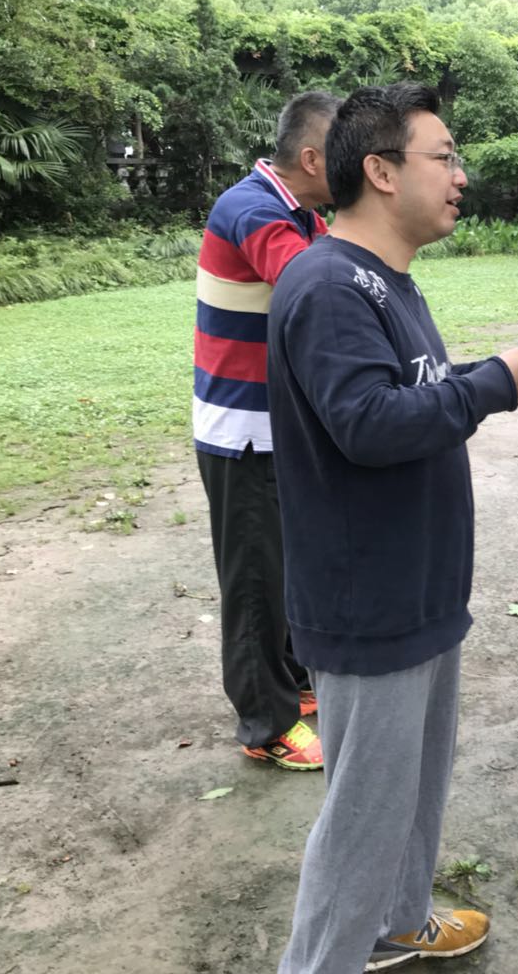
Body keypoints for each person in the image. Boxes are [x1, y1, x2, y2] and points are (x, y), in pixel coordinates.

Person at [269, 83, 518, 972]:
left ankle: (397, 921)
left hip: (418, 588)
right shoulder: (328, 283)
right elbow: (368, 422)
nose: (460, 175)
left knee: (412, 789)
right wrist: (494, 384)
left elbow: (413, 392)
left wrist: (499, 373)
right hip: (368, 603)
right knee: (362, 815)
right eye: (446, 157)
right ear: (382, 171)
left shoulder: (386, 281)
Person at [193, 90, 341, 772]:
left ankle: (292, 682)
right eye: (346, 154)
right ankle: (266, 722)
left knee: (286, 564)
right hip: (244, 432)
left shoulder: (301, 214)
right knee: (255, 579)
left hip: (278, 425)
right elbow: (310, 283)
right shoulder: (251, 209)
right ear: (311, 158)